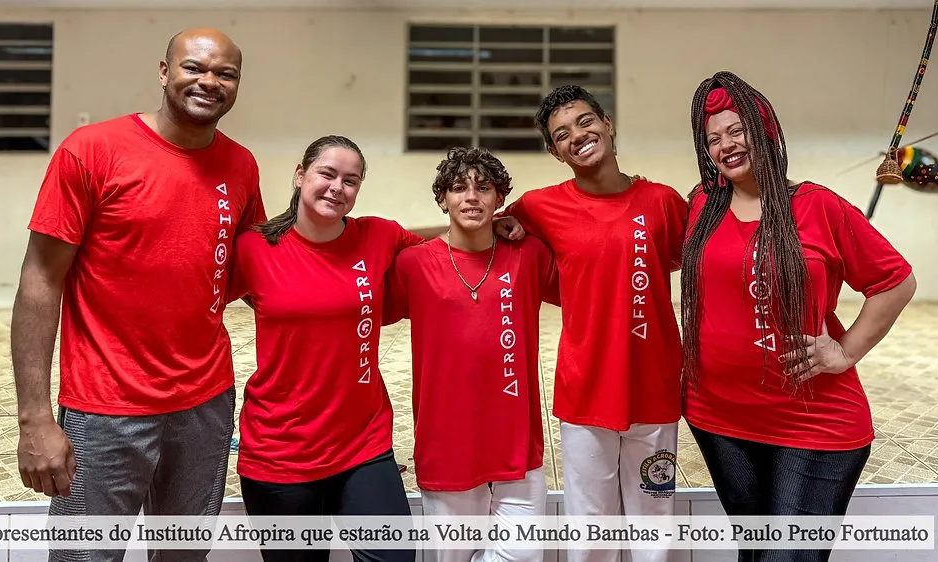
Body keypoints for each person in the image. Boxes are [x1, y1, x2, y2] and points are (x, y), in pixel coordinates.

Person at [11, 28, 265, 561]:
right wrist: (34, 418)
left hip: (205, 404)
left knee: (183, 555)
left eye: (226, 73)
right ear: (164, 71)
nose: (209, 82)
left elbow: (250, 269)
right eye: (194, 67)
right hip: (105, 406)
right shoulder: (92, 150)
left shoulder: (241, 165)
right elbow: (40, 282)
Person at [680, 71, 917, 562]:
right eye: (714, 138)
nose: (726, 145)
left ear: (764, 130)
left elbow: (895, 281)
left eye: (737, 130)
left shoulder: (817, 206)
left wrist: (846, 351)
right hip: (718, 418)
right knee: (755, 552)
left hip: (813, 422)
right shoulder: (701, 206)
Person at [229, 135, 448, 562]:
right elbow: (197, 296)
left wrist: (497, 226)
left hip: (363, 442)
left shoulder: (379, 235)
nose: (337, 188)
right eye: (326, 174)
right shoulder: (254, 248)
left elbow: (444, 256)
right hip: (280, 450)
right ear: (300, 175)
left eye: (350, 180)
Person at [494, 85, 688, 562]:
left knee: (655, 530)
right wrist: (504, 226)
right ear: (554, 152)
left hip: (654, 391)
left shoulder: (663, 202)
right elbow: (489, 232)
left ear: (607, 124)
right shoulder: (538, 207)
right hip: (585, 396)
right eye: (561, 134)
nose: (577, 136)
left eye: (584, 122)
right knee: (590, 533)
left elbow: (695, 260)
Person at [384, 147, 557, 562]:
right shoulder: (413, 264)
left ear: (500, 199)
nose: (471, 197)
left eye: (484, 188)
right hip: (447, 447)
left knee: (523, 555)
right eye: (459, 188)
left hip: (517, 446)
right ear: (442, 199)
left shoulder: (529, 255)